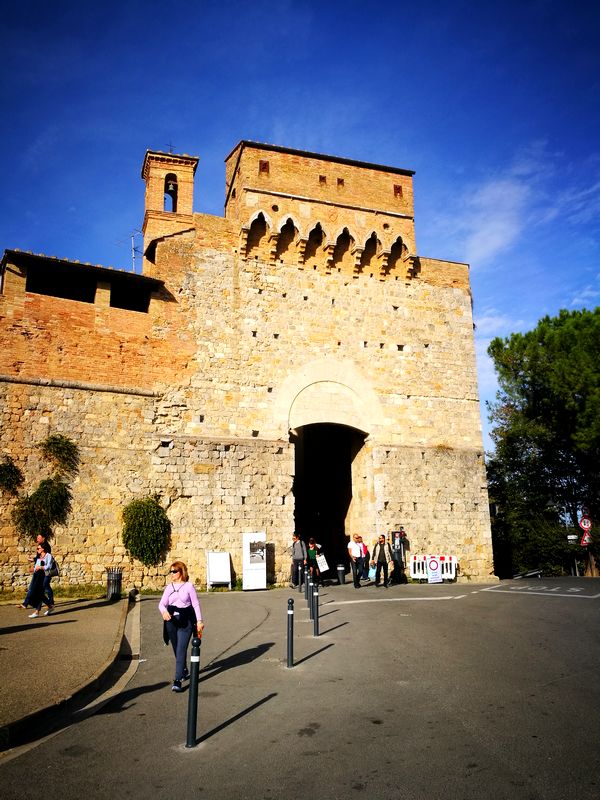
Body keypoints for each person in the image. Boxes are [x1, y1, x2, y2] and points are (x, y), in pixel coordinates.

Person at [158, 560, 205, 692]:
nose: (171, 574)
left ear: (181, 572)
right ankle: (183, 669)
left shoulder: (189, 587)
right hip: (171, 622)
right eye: (171, 571)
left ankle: (178, 680)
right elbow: (161, 604)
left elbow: (195, 604)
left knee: (181, 650)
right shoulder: (169, 588)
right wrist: (164, 612)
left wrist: (199, 621)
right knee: (176, 648)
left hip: (186, 622)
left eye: (174, 571)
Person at [18, 534, 53, 610]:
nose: (37, 539)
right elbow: (39, 559)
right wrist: (34, 565)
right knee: (37, 588)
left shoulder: (46, 548)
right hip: (38, 571)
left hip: (43, 573)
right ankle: (27, 604)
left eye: (38, 537)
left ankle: (47, 604)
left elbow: (45, 562)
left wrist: (39, 567)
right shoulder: (40, 546)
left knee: (44, 588)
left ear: (43, 538)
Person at [27, 543, 55, 618]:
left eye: (38, 548)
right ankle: (50, 605)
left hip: (46, 575)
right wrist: (34, 569)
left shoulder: (48, 555)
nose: (37, 550)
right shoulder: (39, 556)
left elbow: (49, 566)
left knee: (40, 591)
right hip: (40, 575)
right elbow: (37, 566)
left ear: (43, 549)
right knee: (39, 592)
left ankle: (37, 611)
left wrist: (41, 567)